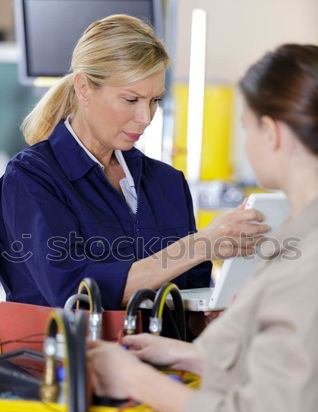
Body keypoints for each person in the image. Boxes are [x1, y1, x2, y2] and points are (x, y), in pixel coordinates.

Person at [87, 44, 318, 412]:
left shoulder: (304, 264)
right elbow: (299, 375)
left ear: (272, 133)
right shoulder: (297, 243)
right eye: (132, 99)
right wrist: (186, 356)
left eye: (244, 127)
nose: (146, 117)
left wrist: (136, 380)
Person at [0, 14, 267, 310]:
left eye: (154, 101)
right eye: (131, 100)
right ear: (84, 87)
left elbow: (194, 296)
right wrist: (200, 245)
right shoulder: (31, 179)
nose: (146, 118)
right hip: (61, 354)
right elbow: (76, 294)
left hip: (163, 355)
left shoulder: (167, 182)